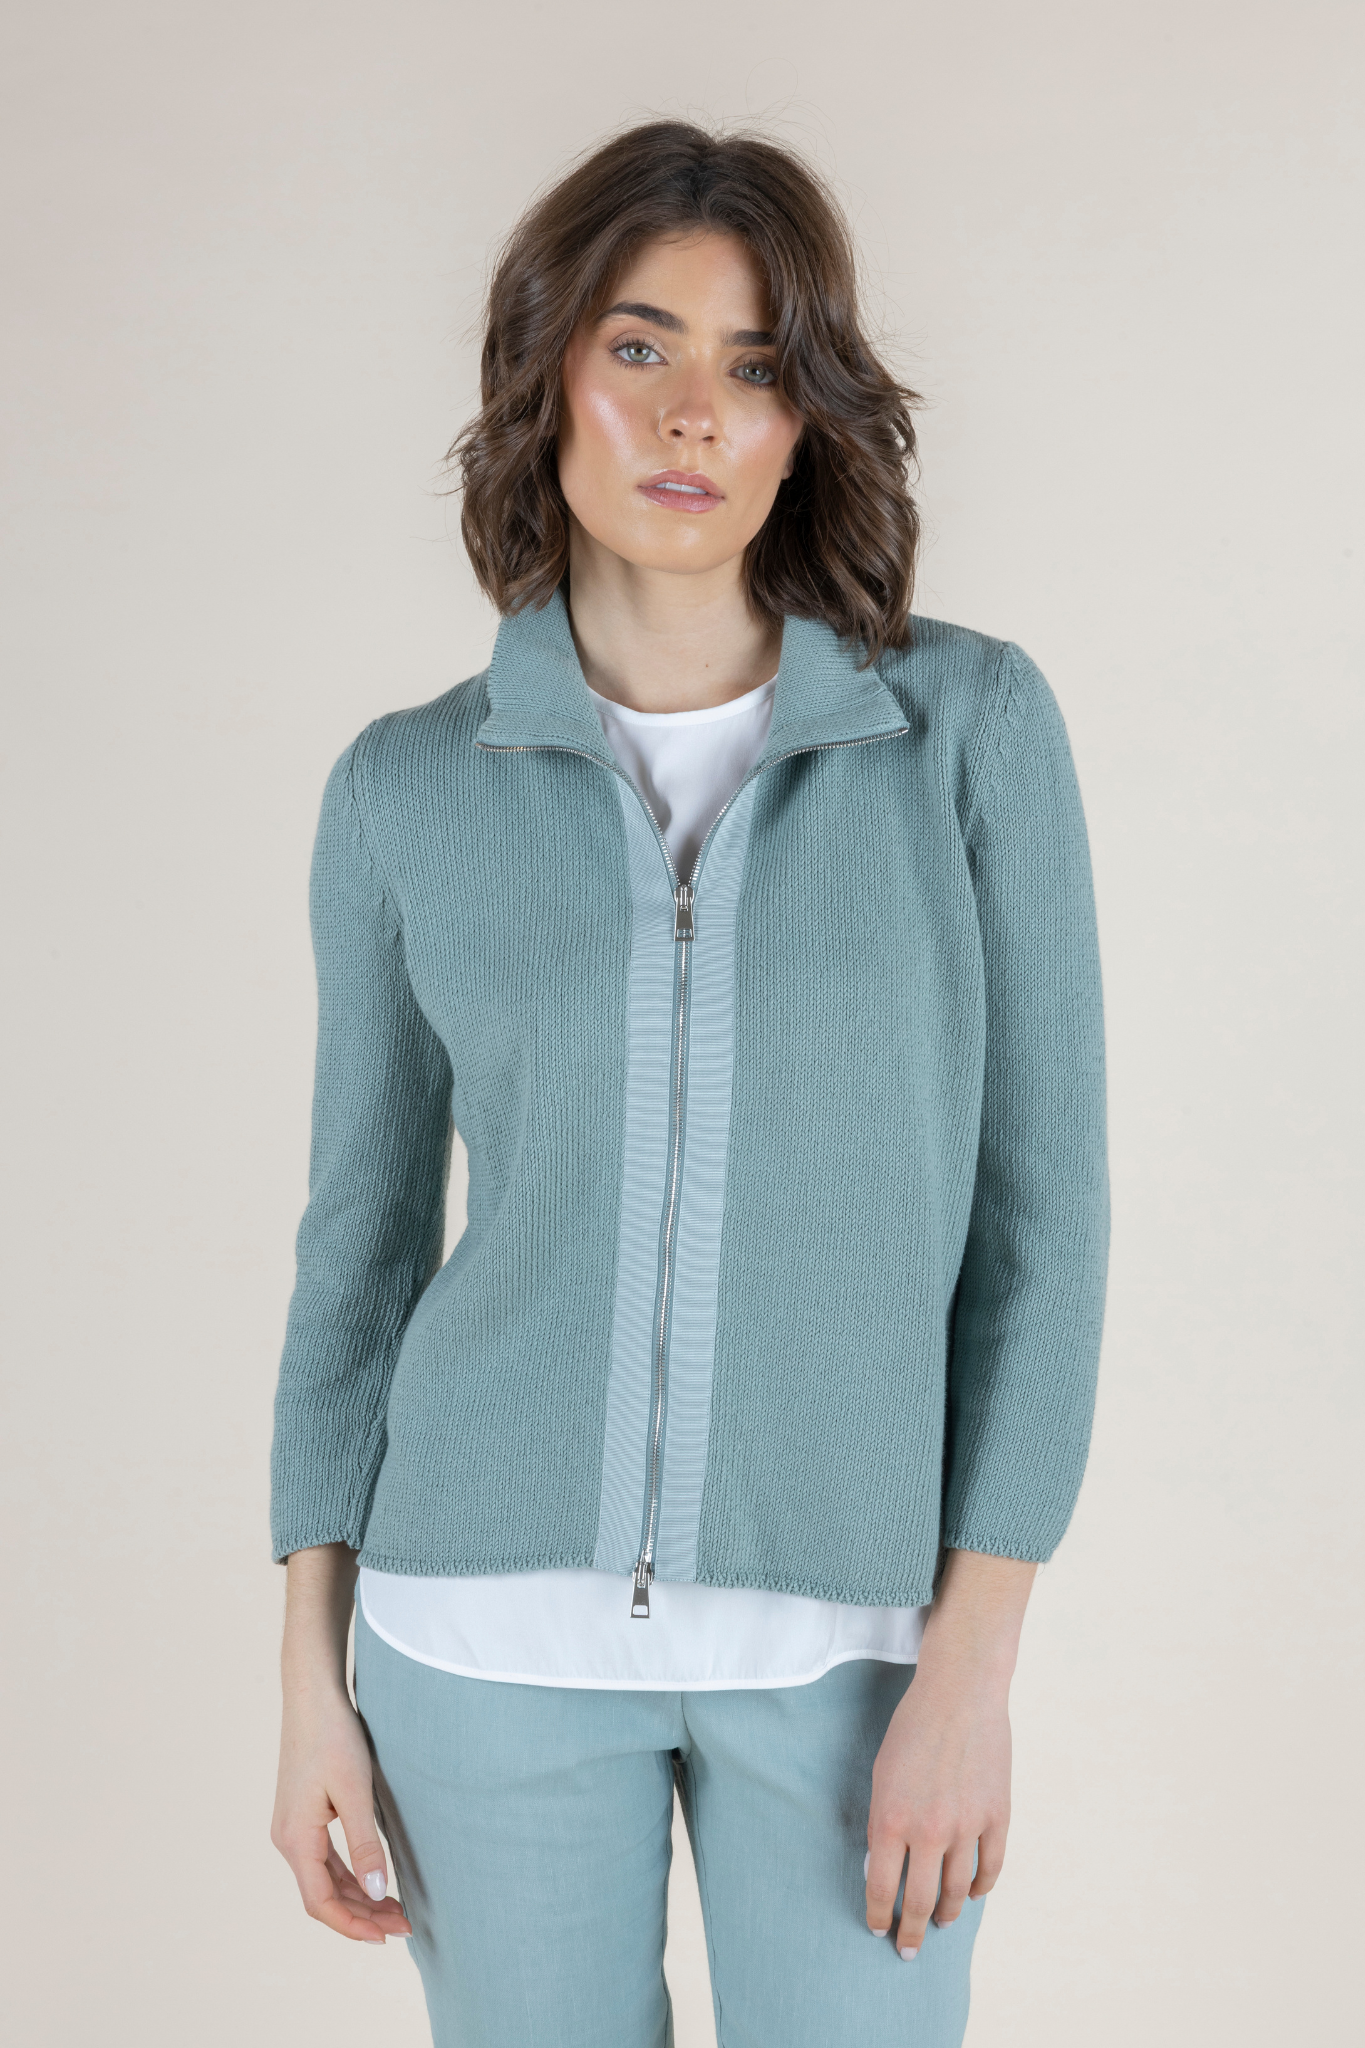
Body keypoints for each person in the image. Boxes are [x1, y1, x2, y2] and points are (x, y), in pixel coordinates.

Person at [268, 120, 1109, 2048]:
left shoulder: (965, 731)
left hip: (856, 1652)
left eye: (753, 365)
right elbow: (358, 1256)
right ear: (545, 371)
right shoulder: (406, 789)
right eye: (638, 346)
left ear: (808, 419)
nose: (692, 416)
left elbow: (1047, 1232)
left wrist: (974, 1664)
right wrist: (311, 1675)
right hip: (471, 1635)